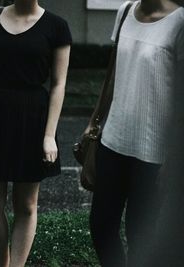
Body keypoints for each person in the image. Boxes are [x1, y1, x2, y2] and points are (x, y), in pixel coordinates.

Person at [0, 0, 71, 266]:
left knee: (26, 205)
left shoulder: (57, 27)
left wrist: (49, 135)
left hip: (33, 119)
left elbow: (59, 84)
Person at [86, 1, 184, 266]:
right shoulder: (126, 10)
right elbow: (113, 73)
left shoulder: (179, 22)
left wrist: (174, 157)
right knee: (101, 226)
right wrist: (95, 120)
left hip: (154, 152)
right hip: (113, 141)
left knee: (139, 235)